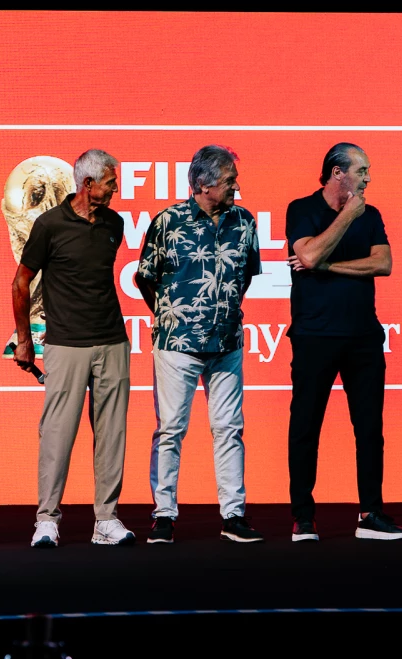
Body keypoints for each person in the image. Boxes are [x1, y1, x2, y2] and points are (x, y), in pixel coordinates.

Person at [135, 145, 264, 544]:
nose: (235, 187)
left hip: (226, 343)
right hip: (177, 343)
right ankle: (164, 515)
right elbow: (145, 276)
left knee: (229, 429)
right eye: (229, 181)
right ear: (203, 183)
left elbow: (245, 276)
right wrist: (171, 313)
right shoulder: (167, 221)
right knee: (171, 429)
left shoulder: (244, 221)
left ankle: (233, 513)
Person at [285, 142, 402, 541]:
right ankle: (303, 517)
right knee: (306, 427)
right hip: (313, 335)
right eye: (362, 170)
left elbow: (383, 263)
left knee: (369, 428)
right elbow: (308, 252)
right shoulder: (301, 209)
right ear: (338, 173)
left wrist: (326, 265)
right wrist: (345, 218)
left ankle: (371, 513)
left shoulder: (370, 215)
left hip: (363, 338)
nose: (369, 177)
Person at [12, 149, 135, 548]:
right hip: (65, 344)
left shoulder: (114, 224)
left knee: (112, 434)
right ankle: (47, 520)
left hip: (112, 341)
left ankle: (106, 520)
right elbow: (21, 282)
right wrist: (25, 341)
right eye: (111, 183)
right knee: (57, 435)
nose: (116, 189)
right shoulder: (49, 225)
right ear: (88, 184)